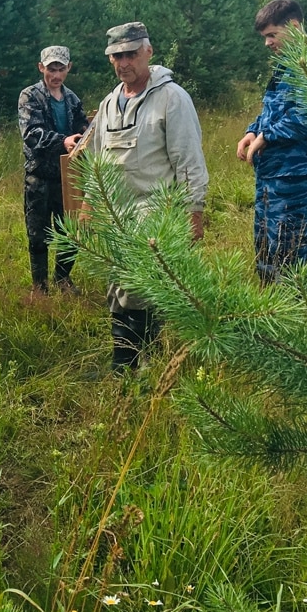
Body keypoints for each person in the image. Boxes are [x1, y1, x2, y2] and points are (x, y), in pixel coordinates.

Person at [92, 22, 208, 372]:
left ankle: (134, 365)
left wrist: (194, 211)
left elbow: (188, 159)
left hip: (156, 208)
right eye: (116, 56)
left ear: (148, 52)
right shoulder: (109, 103)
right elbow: (96, 160)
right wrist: (89, 206)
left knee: (139, 290)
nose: (123, 62)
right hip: (117, 211)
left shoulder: (172, 98)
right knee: (117, 287)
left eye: (129, 54)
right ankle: (129, 362)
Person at [235, 0, 307, 284]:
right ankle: (268, 320)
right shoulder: (286, 65)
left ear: (293, 25)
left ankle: (288, 325)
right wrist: (253, 130)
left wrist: (268, 136)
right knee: (265, 253)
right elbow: (274, 108)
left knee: (288, 258)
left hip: (295, 176)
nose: (267, 43)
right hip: (272, 174)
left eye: (271, 35)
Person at [18, 45, 89, 296]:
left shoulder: (72, 98)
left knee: (69, 231)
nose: (55, 75)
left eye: (60, 69)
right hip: (38, 176)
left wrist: (89, 131)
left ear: (68, 68)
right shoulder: (30, 96)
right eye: (51, 69)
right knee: (37, 234)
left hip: (68, 175)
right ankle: (40, 287)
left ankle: (62, 279)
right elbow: (31, 134)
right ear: (41, 68)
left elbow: (82, 126)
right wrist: (63, 141)